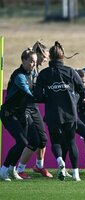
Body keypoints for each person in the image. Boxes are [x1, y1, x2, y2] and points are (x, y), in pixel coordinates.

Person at [34, 41, 85, 181]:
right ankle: (76, 174)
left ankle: (60, 161)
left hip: (53, 114)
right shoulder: (70, 71)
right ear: (63, 57)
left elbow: (38, 96)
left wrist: (48, 97)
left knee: (56, 142)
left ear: (51, 57)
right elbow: (81, 88)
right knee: (71, 142)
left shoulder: (44, 74)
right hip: (70, 114)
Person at [16, 41, 53, 179]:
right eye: (45, 57)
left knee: (43, 139)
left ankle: (39, 166)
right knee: (33, 141)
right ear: (38, 55)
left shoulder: (38, 71)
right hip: (24, 108)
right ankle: (19, 169)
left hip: (34, 107)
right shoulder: (28, 69)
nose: (46, 60)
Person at [0, 48, 38, 181]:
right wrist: (42, 97)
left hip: (21, 114)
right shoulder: (19, 76)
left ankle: (11, 169)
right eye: (31, 61)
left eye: (35, 62)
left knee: (25, 142)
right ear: (23, 60)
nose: (33, 64)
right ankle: (3, 170)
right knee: (22, 142)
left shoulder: (32, 73)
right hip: (9, 114)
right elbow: (28, 93)